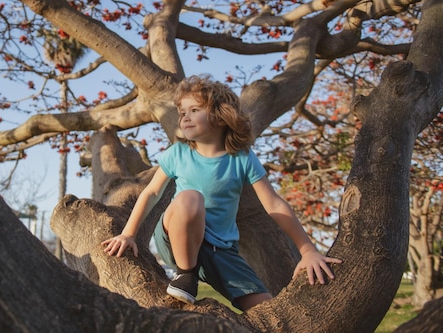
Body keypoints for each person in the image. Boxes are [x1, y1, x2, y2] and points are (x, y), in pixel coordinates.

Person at [101, 74, 342, 311]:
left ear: (220, 115)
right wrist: (128, 234)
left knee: (268, 310)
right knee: (190, 197)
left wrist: (307, 250)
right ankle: (186, 275)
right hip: (177, 237)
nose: (185, 117)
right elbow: (151, 193)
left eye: (194, 110)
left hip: (221, 251)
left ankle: (197, 275)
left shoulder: (242, 158)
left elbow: (274, 205)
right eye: (182, 112)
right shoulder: (178, 153)